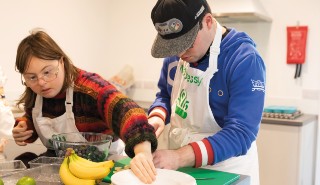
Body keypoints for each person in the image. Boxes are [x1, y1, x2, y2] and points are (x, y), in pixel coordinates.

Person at [12, 29, 157, 184]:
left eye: (47, 72)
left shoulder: (89, 88)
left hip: (104, 165)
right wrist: (25, 127)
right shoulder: (35, 93)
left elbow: (126, 110)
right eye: (32, 77)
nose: (41, 82)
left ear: (61, 61)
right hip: (61, 166)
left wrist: (142, 150)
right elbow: (35, 118)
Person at [147, 0, 266, 184]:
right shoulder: (177, 57)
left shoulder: (244, 59)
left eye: (187, 44)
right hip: (181, 168)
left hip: (227, 170)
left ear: (208, 21)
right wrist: (157, 117)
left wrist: (179, 157)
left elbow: (241, 133)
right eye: (174, 47)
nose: (180, 54)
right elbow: (165, 95)